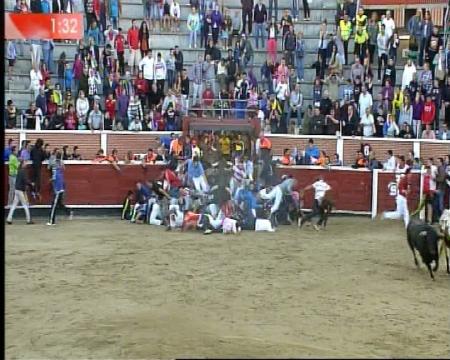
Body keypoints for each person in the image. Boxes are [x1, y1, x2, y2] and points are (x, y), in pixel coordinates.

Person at [47, 151, 73, 225]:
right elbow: (62, 168)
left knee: (54, 205)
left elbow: (49, 167)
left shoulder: (53, 163)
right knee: (59, 204)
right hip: (61, 185)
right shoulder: (61, 164)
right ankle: (69, 212)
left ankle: (52, 221)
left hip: (57, 187)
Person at [6, 160, 34, 225]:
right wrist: (31, 184)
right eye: (25, 163)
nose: (26, 164)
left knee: (14, 205)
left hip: (17, 189)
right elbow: (26, 180)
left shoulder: (19, 170)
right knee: (25, 205)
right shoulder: (23, 171)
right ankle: (28, 220)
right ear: (22, 164)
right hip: (21, 190)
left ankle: (9, 219)